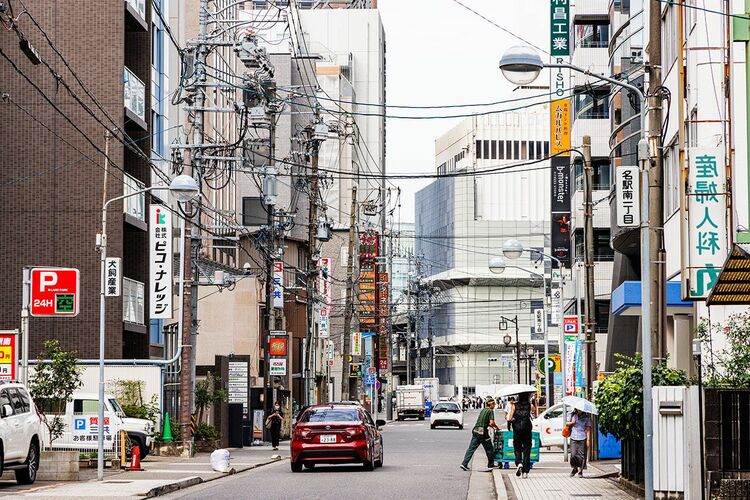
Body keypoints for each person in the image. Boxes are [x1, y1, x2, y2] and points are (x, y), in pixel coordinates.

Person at [460, 397, 500, 471]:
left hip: (475, 430)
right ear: (491, 404)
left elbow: (486, 422)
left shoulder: (483, 410)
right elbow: (491, 422)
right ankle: (491, 465)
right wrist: (496, 427)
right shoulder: (490, 411)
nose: (494, 405)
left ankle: (464, 464)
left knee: (471, 448)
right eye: (494, 404)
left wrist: (492, 427)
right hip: (483, 432)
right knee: (489, 448)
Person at [507, 392, 536, 478]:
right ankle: (525, 472)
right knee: (527, 449)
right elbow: (534, 411)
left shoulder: (514, 405)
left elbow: (509, 417)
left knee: (517, 447)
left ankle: (519, 463)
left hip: (517, 429)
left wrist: (509, 425)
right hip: (527, 430)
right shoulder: (529, 405)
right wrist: (530, 402)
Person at [568, 409, 592, 477]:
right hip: (573, 437)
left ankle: (580, 471)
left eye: (581, 410)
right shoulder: (573, 415)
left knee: (582, 456)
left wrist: (588, 440)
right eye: (578, 409)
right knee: (573, 455)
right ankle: (574, 468)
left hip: (582, 437)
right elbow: (567, 424)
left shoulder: (587, 418)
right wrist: (572, 423)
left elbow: (588, 430)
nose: (579, 410)